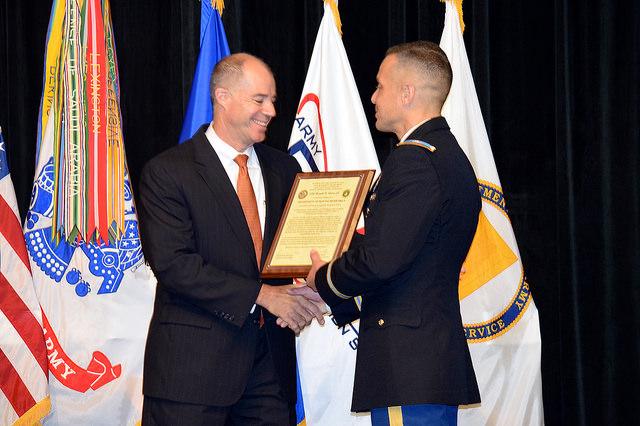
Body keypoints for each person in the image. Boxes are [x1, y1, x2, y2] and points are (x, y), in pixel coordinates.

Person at [139, 53, 325, 425]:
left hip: (270, 370)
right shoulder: (168, 172)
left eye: (272, 100)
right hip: (191, 374)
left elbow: (296, 250)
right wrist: (263, 295)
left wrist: (316, 282)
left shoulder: (284, 168)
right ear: (222, 97)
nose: (271, 110)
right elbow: (176, 266)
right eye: (260, 100)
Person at [303, 41, 482, 424]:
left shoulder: (414, 161)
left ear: (407, 93)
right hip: (425, 363)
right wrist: (334, 296)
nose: (373, 96)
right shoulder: (447, 156)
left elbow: (382, 260)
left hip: (408, 364)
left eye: (380, 85)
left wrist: (323, 278)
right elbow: (409, 260)